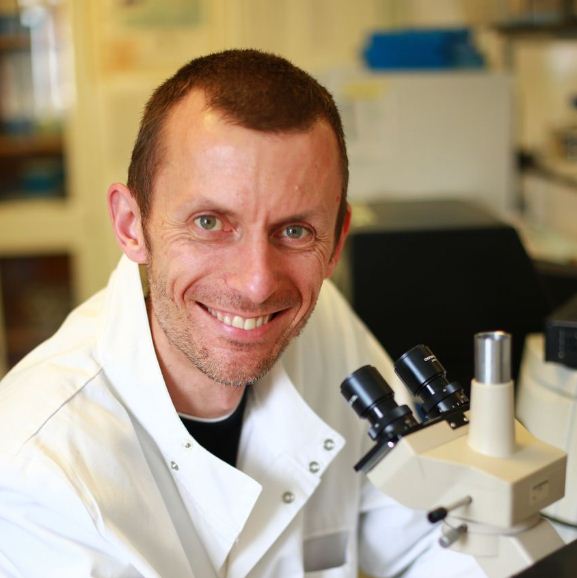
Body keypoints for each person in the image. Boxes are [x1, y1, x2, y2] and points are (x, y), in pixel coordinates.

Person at [0, 49, 482, 578]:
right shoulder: (35, 463)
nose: (257, 284)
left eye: (295, 231)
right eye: (210, 222)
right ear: (131, 225)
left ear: (336, 241)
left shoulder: (323, 325)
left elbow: (421, 536)